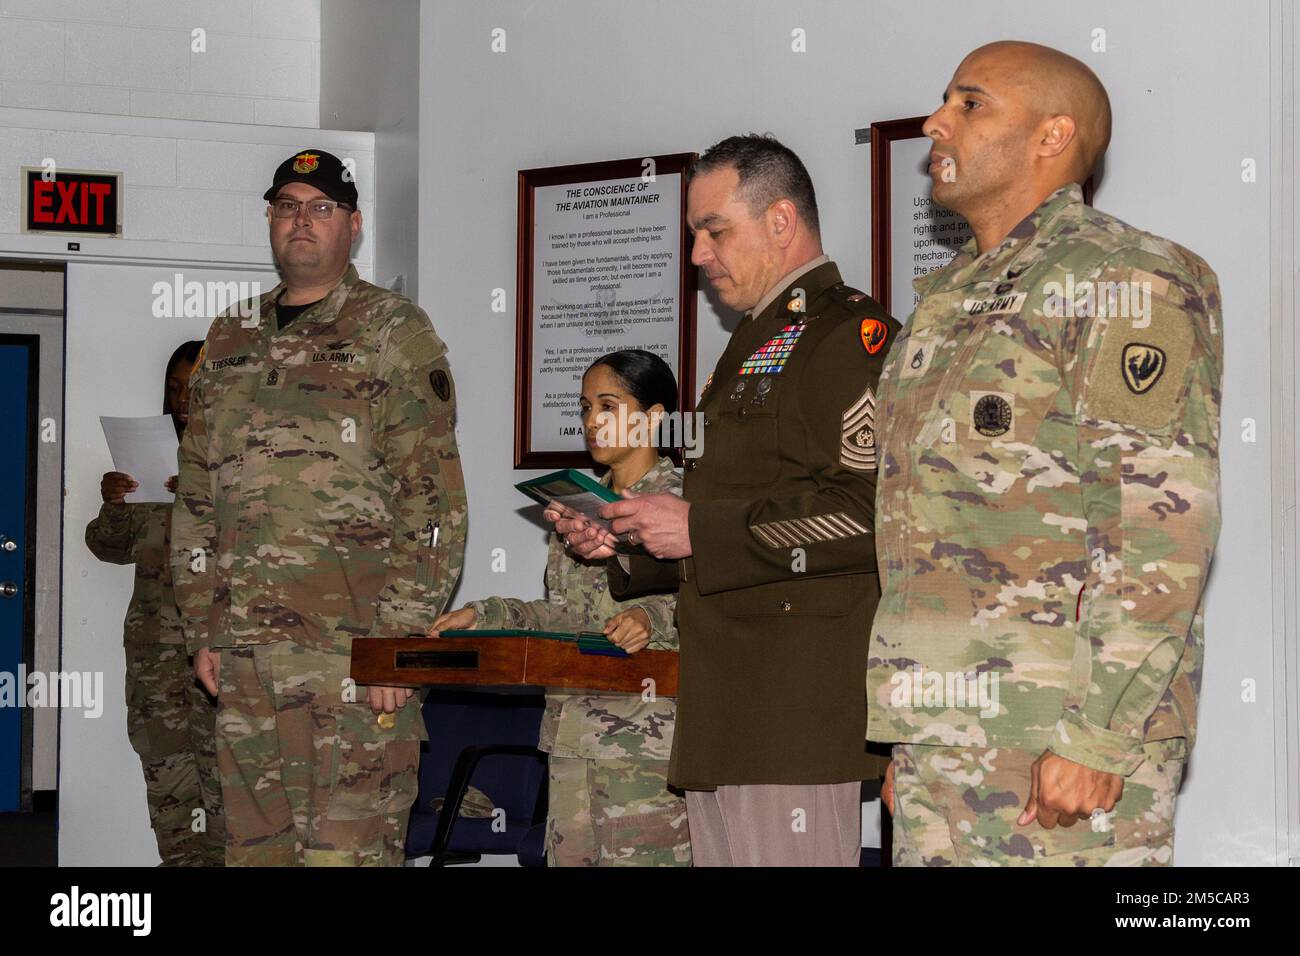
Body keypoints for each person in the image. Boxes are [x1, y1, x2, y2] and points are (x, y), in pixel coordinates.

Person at [870, 41, 1222, 866]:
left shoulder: (1127, 277)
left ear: (1052, 135)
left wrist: (1098, 737)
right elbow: (924, 530)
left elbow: (1158, 528)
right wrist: (916, 733)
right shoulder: (947, 300)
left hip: (1057, 741)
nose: (936, 122)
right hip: (947, 737)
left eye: (969, 103)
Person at [556, 135, 898, 866]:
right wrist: (626, 543)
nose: (698, 257)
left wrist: (700, 530)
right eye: (694, 235)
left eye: (715, 231)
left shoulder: (845, 336)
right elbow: (716, 526)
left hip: (790, 710)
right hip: (726, 705)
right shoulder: (754, 343)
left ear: (780, 221)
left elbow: (869, 513)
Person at [170, 148, 467, 866]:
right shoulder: (229, 337)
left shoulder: (393, 331)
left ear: (353, 225)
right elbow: (195, 495)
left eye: (321, 207)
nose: (301, 221)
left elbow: (433, 502)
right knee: (253, 857)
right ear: (270, 221)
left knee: (348, 856)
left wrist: (396, 647)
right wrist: (204, 626)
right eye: (286, 206)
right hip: (245, 668)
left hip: (353, 663)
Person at [432, 350, 689, 866]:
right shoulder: (577, 507)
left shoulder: (682, 506)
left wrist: (652, 618)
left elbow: (711, 601)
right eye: (585, 407)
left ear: (653, 417)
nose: (592, 421)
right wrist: (485, 614)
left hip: (646, 742)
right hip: (571, 734)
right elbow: (565, 616)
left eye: (609, 406)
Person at [85, 340, 225, 866]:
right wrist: (115, 504)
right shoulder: (147, 457)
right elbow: (109, 548)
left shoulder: (238, 465)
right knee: (170, 797)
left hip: (219, 659)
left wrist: (203, 494)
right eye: (174, 389)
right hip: (155, 660)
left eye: (192, 389)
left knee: (227, 795)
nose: (183, 400)